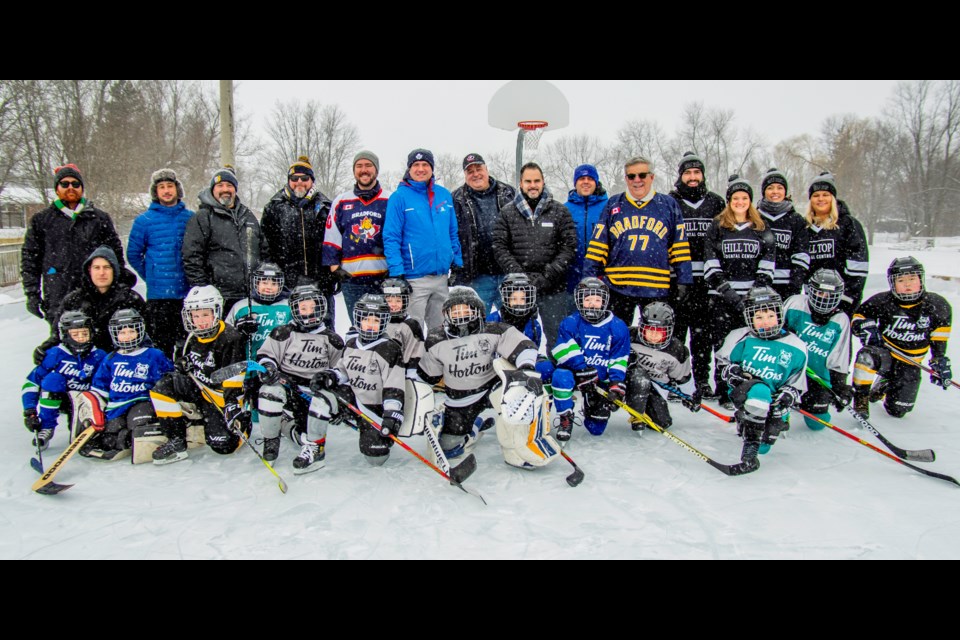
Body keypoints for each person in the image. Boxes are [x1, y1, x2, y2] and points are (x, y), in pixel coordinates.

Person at [414, 287, 555, 469]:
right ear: (446, 313)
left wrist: (526, 369)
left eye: (466, 309)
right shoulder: (435, 338)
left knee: (516, 403)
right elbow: (429, 377)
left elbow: (524, 346)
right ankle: (474, 428)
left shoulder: (494, 329)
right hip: (460, 399)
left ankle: (518, 446)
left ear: (479, 310)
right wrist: (420, 408)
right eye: (455, 310)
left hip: (493, 390)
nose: (461, 314)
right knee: (450, 448)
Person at [584, 156, 692, 326]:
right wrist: (589, 276)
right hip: (618, 287)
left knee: (654, 341)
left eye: (642, 175)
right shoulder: (614, 204)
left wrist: (684, 279)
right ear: (626, 179)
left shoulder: (668, 205)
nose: (637, 180)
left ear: (652, 177)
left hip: (656, 288)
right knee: (616, 339)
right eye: (631, 176)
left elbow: (679, 246)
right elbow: (599, 245)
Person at [148, 285, 248, 464]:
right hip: (198, 387)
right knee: (162, 387)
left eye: (205, 315)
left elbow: (234, 375)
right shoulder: (192, 336)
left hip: (218, 396)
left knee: (223, 446)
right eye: (195, 316)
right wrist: (183, 363)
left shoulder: (231, 337)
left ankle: (241, 424)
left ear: (216, 311)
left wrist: (232, 405)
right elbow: (188, 359)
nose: (200, 321)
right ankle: (176, 439)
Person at [21, 164, 125, 331]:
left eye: (75, 184)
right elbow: (30, 259)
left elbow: (115, 254)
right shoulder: (42, 220)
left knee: (98, 342)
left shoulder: (99, 218)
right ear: (57, 189)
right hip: (58, 293)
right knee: (63, 342)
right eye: (65, 184)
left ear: (82, 188)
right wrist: (32, 293)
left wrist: (120, 284)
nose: (70, 188)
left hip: (95, 294)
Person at [717, 287, 809, 473]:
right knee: (760, 392)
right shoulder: (738, 337)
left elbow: (796, 382)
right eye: (758, 317)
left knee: (766, 446)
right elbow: (723, 364)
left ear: (779, 315)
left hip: (774, 398)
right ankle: (749, 451)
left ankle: (765, 420)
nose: (765, 322)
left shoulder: (797, 345)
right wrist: (732, 372)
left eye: (770, 316)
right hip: (747, 391)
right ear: (749, 319)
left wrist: (787, 396)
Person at [704, 175, 777, 407]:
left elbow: (768, 262)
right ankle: (723, 390)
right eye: (735, 198)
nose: (740, 201)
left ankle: (745, 388)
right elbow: (711, 263)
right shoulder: (718, 226)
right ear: (729, 201)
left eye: (744, 197)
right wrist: (730, 294)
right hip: (722, 298)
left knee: (747, 346)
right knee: (722, 345)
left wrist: (755, 292)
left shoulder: (761, 227)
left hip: (752, 301)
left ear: (750, 200)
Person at [254, 284, 344, 469]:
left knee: (302, 437)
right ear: (294, 310)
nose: (309, 313)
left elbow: (341, 371)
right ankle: (271, 440)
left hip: (312, 394)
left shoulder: (332, 339)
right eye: (303, 308)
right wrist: (269, 367)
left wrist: (338, 401)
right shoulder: (283, 333)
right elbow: (265, 356)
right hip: (287, 388)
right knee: (268, 391)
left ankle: (293, 431)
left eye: (313, 308)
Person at [309, 295, 404, 468]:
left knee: (376, 458)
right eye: (365, 319)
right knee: (321, 398)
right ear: (358, 320)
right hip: (352, 400)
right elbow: (343, 371)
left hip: (375, 409)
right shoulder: (352, 343)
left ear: (384, 322)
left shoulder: (390, 349)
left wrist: (391, 414)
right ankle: (314, 447)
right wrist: (329, 376)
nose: (370, 324)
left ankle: (369, 429)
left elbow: (394, 386)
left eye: (376, 320)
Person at [850, 257, 952, 419]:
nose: (907, 284)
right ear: (892, 283)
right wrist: (864, 326)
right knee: (866, 356)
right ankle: (861, 397)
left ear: (921, 279)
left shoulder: (938, 305)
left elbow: (939, 338)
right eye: (901, 280)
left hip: (910, 363)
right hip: (885, 356)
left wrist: (939, 360)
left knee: (897, 411)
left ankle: (885, 383)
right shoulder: (881, 301)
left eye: (912, 279)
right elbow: (857, 318)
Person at [492, 162, 577, 350]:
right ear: (521, 183)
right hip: (518, 290)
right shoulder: (507, 212)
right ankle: (519, 371)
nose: (533, 185)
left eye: (537, 181)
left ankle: (556, 373)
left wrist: (548, 275)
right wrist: (520, 277)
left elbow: (569, 246)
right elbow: (499, 246)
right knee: (516, 335)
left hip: (552, 286)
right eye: (528, 181)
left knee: (556, 336)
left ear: (543, 182)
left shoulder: (559, 211)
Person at [537, 277, 630, 441]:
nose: (592, 304)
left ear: (605, 301)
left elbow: (619, 357)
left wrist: (615, 384)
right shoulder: (571, 322)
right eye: (587, 300)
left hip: (599, 381)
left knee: (596, 429)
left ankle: (590, 406)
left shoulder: (618, 326)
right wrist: (582, 369)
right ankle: (566, 417)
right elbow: (561, 349)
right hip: (576, 375)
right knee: (560, 375)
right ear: (579, 300)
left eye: (597, 300)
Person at [383, 148, 463, 331]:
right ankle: (412, 360)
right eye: (416, 165)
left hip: (441, 276)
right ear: (409, 169)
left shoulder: (444, 195)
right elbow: (391, 237)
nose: (421, 169)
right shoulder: (399, 198)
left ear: (432, 168)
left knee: (441, 330)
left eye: (425, 164)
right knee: (412, 330)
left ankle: (436, 359)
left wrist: (457, 262)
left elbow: (452, 233)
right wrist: (397, 272)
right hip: (414, 279)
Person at [668, 152, 727, 397]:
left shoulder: (716, 202)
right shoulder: (670, 202)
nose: (692, 177)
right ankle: (671, 379)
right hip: (678, 280)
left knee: (702, 336)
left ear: (702, 175)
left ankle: (702, 380)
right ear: (680, 176)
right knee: (676, 334)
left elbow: (724, 239)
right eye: (687, 173)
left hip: (706, 281)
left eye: (696, 172)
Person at [82, 308, 173, 460]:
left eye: (131, 331)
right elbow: (100, 386)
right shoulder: (110, 358)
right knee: (110, 435)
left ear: (140, 331)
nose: (127, 336)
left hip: (142, 401)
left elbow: (167, 379)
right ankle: (118, 440)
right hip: (117, 405)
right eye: (122, 333)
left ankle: (130, 438)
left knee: (138, 427)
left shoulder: (153, 355)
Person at [126, 168, 195, 357]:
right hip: (159, 296)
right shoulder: (144, 220)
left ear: (177, 189)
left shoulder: (189, 218)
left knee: (187, 344)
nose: (166, 191)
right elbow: (133, 254)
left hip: (185, 293)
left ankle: (185, 381)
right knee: (161, 344)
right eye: (161, 187)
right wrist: (151, 275)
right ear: (155, 192)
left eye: (170, 186)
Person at [182, 167, 268, 313]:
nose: (225, 189)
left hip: (250, 295)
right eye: (220, 186)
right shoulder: (203, 217)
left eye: (229, 185)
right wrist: (203, 287)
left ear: (235, 189)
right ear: (212, 190)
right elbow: (192, 256)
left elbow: (263, 249)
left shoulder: (247, 216)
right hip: (220, 296)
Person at [262, 156, 335, 323]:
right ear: (289, 180)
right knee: (290, 331)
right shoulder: (274, 207)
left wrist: (331, 276)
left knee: (323, 329)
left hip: (320, 282)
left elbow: (334, 244)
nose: (299, 182)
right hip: (287, 284)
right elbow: (266, 246)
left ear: (312, 181)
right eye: (294, 178)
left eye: (305, 178)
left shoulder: (325, 206)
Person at [22, 311, 107, 451]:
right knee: (52, 380)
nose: (81, 338)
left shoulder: (99, 355)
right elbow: (32, 382)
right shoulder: (55, 354)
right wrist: (29, 412)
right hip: (62, 400)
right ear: (65, 335)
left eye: (85, 333)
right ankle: (47, 427)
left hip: (86, 401)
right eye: (75, 334)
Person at [44, 246, 147, 356]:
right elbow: (58, 334)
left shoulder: (130, 299)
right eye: (97, 268)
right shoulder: (73, 300)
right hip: (85, 359)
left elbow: (148, 334)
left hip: (121, 361)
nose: (102, 273)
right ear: (89, 270)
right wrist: (45, 348)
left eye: (107, 267)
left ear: (114, 270)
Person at [782, 269, 852, 430]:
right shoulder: (795, 303)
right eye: (820, 293)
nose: (824, 300)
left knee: (817, 424)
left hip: (816, 376)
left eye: (829, 296)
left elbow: (839, 357)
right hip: (789, 371)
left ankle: (807, 403)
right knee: (776, 409)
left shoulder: (841, 320)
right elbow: (776, 330)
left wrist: (840, 386)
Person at [324, 151, 390, 314]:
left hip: (383, 279)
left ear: (376, 170)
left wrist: (395, 269)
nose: (364, 170)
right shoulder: (341, 201)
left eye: (368, 165)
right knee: (358, 328)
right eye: (359, 166)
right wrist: (334, 268)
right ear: (354, 171)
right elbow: (332, 235)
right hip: (352, 280)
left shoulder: (391, 199)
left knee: (384, 328)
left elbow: (399, 236)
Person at [451, 153, 517, 311]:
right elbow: (451, 236)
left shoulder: (509, 193)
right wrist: (458, 270)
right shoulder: (456, 199)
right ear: (465, 175)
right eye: (470, 171)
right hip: (477, 276)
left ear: (486, 169)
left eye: (478, 169)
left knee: (515, 321)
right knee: (478, 324)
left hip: (508, 273)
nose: (475, 174)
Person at [626, 301, 700, 432]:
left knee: (662, 422)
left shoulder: (677, 350)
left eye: (659, 331)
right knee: (640, 378)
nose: (653, 335)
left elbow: (683, 378)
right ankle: (637, 416)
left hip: (654, 387)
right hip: (628, 382)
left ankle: (647, 411)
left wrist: (689, 396)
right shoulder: (629, 337)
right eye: (649, 330)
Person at [805, 171, 869, 317]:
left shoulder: (848, 224)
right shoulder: (806, 228)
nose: (820, 199)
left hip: (840, 300)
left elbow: (858, 269)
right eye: (816, 195)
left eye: (825, 195)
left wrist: (846, 299)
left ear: (833, 198)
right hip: (813, 301)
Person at [756, 168, 810, 299]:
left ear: (785, 191)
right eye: (770, 188)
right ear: (764, 192)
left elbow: (801, 255)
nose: (775, 191)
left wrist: (794, 285)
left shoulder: (796, 219)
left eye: (779, 187)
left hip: (786, 286)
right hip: (759, 285)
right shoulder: (755, 217)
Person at [225, 262, 292, 358]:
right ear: (256, 283)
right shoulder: (241, 306)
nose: (269, 287)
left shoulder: (288, 306)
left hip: (280, 363)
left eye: (274, 284)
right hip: (247, 362)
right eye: (264, 283)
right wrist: (239, 331)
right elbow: (226, 336)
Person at [564, 164, 609, 306]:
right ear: (575, 182)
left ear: (596, 182)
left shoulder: (608, 207)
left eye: (590, 178)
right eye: (581, 178)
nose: (585, 182)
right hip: (572, 280)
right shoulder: (565, 209)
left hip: (601, 279)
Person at [381, 278, 426, 378]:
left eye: (398, 300)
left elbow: (416, 351)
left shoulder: (412, 325)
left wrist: (411, 373)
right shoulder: (375, 321)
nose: (393, 304)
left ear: (405, 301)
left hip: (401, 372)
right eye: (388, 300)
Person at [486, 273, 542, 348]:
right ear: (507, 299)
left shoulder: (533, 324)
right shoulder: (494, 319)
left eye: (522, 299)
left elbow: (534, 349)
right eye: (514, 299)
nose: (518, 302)